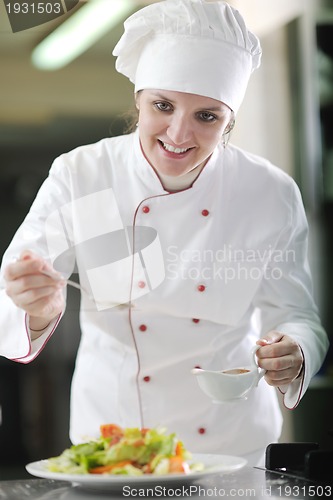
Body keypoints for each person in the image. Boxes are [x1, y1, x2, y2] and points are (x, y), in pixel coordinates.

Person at [0, 0, 329, 466]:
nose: (179, 132)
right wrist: (37, 308)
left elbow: (299, 316)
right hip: (114, 441)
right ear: (137, 99)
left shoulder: (268, 192)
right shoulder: (83, 174)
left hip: (231, 447)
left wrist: (294, 352)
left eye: (207, 116)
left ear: (229, 121)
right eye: (163, 105)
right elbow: (12, 289)